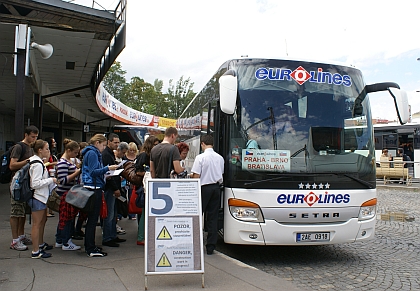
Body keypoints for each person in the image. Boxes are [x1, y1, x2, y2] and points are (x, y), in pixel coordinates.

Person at [81, 134, 119, 257]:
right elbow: (93, 172)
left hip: (94, 186)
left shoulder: (90, 153)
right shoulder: (92, 153)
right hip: (94, 187)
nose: (103, 148)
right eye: (103, 145)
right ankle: (90, 248)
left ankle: (90, 245)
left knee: (92, 219)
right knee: (92, 220)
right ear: (97, 143)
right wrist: (107, 168)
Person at [191, 135, 224, 255]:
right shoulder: (220, 158)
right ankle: (210, 246)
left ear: (202, 144)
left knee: (198, 214)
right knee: (212, 217)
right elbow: (221, 173)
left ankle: (195, 243)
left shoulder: (200, 158)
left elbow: (196, 176)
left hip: (203, 188)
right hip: (216, 188)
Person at [9, 125, 39, 251]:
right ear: (26, 135)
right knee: (16, 212)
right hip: (18, 185)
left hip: (26, 185)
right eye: (32, 136)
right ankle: (15, 240)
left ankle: (21, 235)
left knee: (23, 213)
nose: (34, 139)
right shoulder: (19, 147)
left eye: (36, 137)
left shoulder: (31, 147)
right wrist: (28, 161)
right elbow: (12, 165)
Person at [28, 139, 59, 258]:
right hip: (38, 196)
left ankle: (39, 245)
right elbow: (35, 183)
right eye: (46, 149)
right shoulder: (37, 164)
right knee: (37, 224)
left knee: (41, 222)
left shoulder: (36, 161)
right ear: (40, 150)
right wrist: (51, 180)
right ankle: (35, 250)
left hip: (39, 196)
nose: (49, 151)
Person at [55, 139, 82, 251]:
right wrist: (77, 172)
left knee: (64, 218)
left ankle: (60, 240)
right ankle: (66, 241)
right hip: (65, 194)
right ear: (68, 150)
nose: (76, 155)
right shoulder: (62, 163)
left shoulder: (69, 161)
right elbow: (62, 180)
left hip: (69, 193)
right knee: (67, 218)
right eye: (75, 152)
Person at [101, 133, 126, 247]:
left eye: (118, 142)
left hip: (114, 186)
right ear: (109, 141)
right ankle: (107, 237)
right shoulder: (106, 154)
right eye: (115, 142)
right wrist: (115, 188)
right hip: (110, 188)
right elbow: (108, 174)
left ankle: (112, 235)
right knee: (109, 214)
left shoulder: (110, 153)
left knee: (113, 213)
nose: (117, 145)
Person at [134, 136, 159, 245]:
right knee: (145, 212)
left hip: (148, 186)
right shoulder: (144, 155)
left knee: (146, 213)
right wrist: (150, 173)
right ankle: (141, 237)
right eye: (155, 144)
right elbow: (138, 171)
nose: (156, 146)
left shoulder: (151, 155)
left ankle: (143, 235)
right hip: (144, 187)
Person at [45, 137, 58, 217]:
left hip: (51, 172)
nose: (55, 143)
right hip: (48, 173)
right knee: (48, 191)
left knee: (50, 191)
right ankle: (47, 210)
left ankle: (50, 209)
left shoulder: (51, 152)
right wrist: (53, 163)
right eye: (53, 142)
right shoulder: (48, 152)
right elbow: (45, 163)